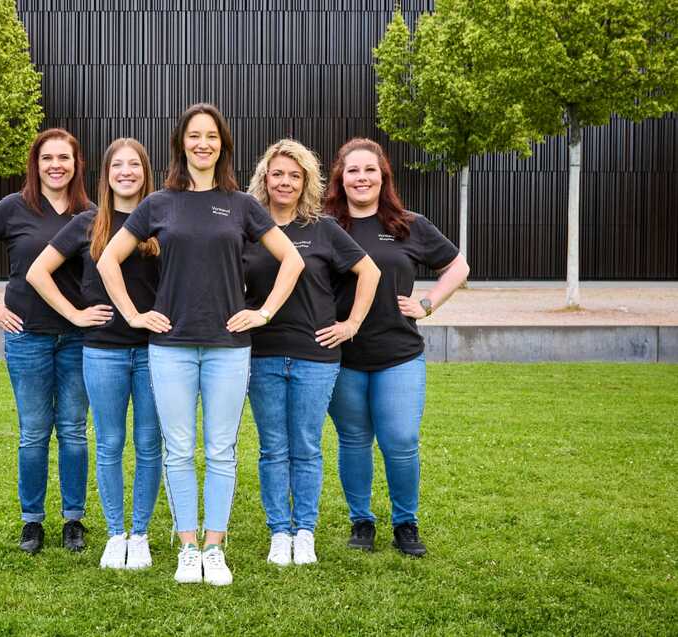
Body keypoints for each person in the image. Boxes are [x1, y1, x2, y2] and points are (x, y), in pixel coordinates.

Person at [97, 103, 304, 586]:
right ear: (181, 144)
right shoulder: (159, 203)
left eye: (212, 136)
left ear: (223, 145)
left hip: (229, 346)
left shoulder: (243, 206)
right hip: (169, 345)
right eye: (194, 136)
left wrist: (264, 311)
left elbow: (291, 261)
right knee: (178, 449)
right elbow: (109, 260)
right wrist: (133, 313)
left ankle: (215, 547)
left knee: (221, 450)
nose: (203, 143)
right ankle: (187, 547)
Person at [0, 128, 94, 555]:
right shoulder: (15, 207)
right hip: (27, 336)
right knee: (33, 433)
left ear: (76, 164)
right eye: (47, 158)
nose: (55, 165)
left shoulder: (89, 212)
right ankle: (32, 522)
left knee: (73, 431)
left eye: (64, 158)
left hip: (77, 338)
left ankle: (73, 520)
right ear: (36, 163)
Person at [324, 138, 470, 557]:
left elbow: (458, 266)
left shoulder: (408, 224)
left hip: (398, 355)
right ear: (341, 178)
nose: (361, 178)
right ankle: (362, 522)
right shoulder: (326, 225)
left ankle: (406, 523)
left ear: (383, 176)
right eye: (353, 170)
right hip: (343, 357)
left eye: (370, 170)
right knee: (353, 440)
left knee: (401, 440)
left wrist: (427, 303)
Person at [26, 138, 162, 570]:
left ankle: (139, 534)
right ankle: (115, 533)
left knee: (147, 443)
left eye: (134, 165)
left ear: (145, 172)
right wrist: (75, 313)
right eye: (117, 165)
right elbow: (37, 272)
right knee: (109, 443)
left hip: (154, 351)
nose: (126, 172)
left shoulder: (161, 220)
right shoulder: (89, 222)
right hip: (102, 350)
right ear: (105, 175)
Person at [243, 139, 380, 566]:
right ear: (265, 178)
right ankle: (278, 532)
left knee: (305, 446)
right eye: (278, 173)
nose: (285, 182)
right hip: (261, 354)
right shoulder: (248, 228)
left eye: (295, 176)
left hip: (315, 356)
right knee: (271, 448)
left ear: (307, 183)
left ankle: (304, 532)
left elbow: (369, 272)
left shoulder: (322, 229)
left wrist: (351, 324)